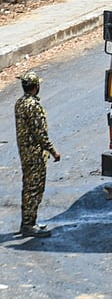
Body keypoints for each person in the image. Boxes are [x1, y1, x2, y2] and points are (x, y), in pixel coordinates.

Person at [14, 71, 61, 238]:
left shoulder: (20, 103)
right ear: (36, 86)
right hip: (34, 153)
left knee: (28, 186)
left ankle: (28, 221)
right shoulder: (33, 106)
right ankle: (29, 224)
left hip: (25, 152)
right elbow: (40, 133)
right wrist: (53, 151)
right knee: (34, 188)